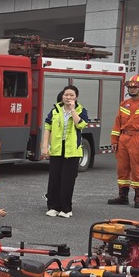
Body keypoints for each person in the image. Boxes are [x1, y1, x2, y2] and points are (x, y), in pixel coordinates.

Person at [108, 75, 139, 208]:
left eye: (134, 87)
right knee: (122, 168)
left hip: (138, 139)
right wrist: (114, 140)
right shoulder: (124, 104)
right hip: (123, 138)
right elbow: (117, 124)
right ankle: (123, 196)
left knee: (137, 168)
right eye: (130, 87)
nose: (131, 89)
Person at [40, 85, 89, 218]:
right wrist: (45, 146)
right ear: (62, 96)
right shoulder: (55, 110)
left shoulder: (81, 110)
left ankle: (66, 209)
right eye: (66, 95)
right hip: (56, 150)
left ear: (76, 97)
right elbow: (47, 128)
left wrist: (73, 111)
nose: (68, 97)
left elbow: (81, 125)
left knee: (67, 181)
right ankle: (53, 207)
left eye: (71, 95)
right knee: (54, 180)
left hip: (72, 152)